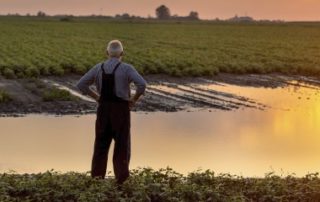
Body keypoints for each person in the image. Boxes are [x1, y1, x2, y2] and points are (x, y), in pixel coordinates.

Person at [76, 40, 147, 184]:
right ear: (122, 53)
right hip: (121, 110)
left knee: (100, 145)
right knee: (122, 145)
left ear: (107, 53)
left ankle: (97, 180)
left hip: (103, 110)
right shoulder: (126, 68)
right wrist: (133, 100)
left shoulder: (98, 68)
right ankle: (121, 181)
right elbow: (142, 84)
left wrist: (96, 97)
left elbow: (81, 84)